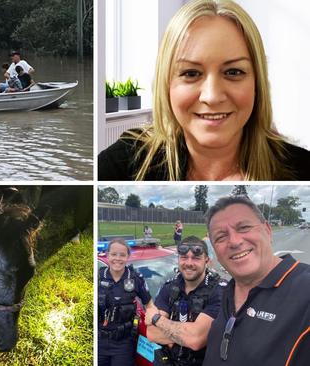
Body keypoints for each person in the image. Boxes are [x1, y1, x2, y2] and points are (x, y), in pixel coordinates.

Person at [98, 0, 310, 181]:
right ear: (166, 84)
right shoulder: (120, 166)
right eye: (191, 73)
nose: (212, 96)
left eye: (234, 72)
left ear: (257, 83)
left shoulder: (302, 170)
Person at [202, 195, 310, 365]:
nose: (235, 241)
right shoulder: (228, 289)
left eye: (244, 227)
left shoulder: (305, 290)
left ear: (267, 230)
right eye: (221, 237)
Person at [145, 236, 227, 366]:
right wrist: (187, 335)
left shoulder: (219, 290)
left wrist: (157, 320)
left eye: (196, 258)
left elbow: (195, 340)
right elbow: (152, 333)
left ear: (207, 261)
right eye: (184, 257)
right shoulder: (169, 287)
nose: (189, 263)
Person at [99, 238, 153, 366]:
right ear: (107, 255)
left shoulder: (135, 279)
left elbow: (150, 305)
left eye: (122, 255)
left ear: (128, 256)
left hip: (123, 343)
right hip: (99, 341)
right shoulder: (97, 276)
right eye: (113, 254)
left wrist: (154, 321)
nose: (117, 258)